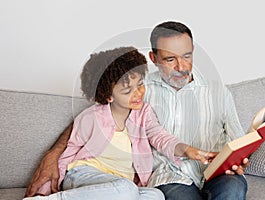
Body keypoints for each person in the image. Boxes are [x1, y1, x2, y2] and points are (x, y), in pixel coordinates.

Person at [25, 21, 249, 200]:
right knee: (146, 193)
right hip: (168, 176)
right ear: (154, 58)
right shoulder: (138, 87)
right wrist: (52, 157)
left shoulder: (216, 92)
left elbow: (162, 137)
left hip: (215, 171)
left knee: (230, 190)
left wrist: (237, 158)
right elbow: (86, 123)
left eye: (187, 56)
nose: (181, 67)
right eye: (170, 59)